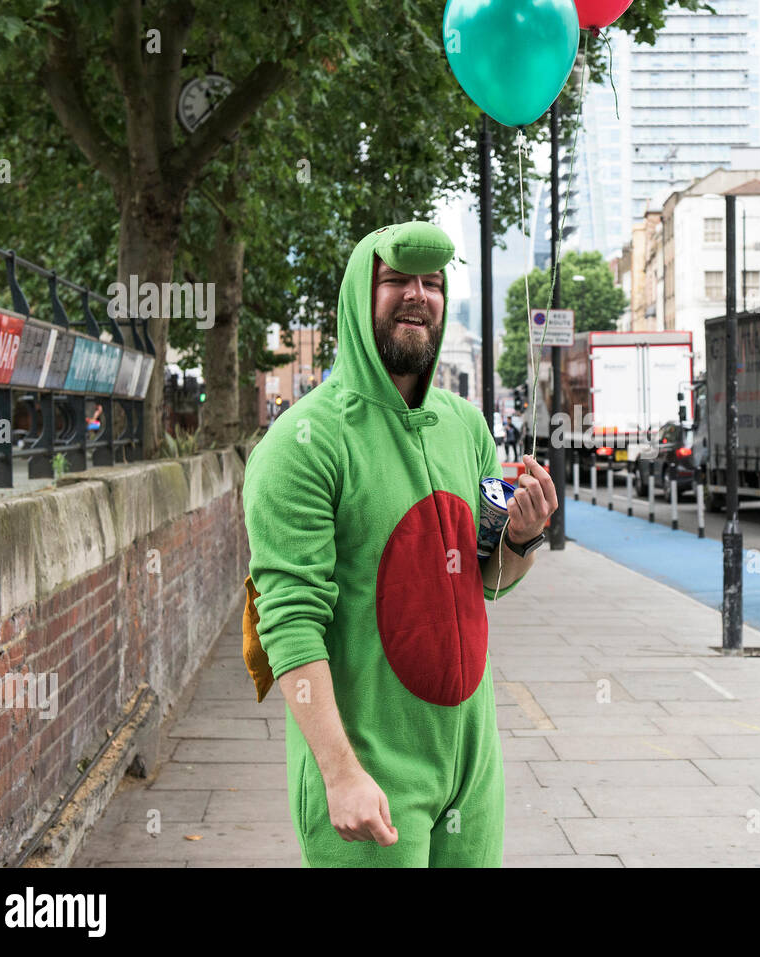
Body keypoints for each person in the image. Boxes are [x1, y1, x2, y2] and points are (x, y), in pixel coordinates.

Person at [241, 221, 556, 867]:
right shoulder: (303, 442)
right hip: (369, 770)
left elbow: (485, 577)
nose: (418, 295)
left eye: (432, 283)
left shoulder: (468, 426)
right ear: (361, 296)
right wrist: (338, 772)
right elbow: (289, 622)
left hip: (472, 767)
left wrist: (522, 537)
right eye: (396, 280)